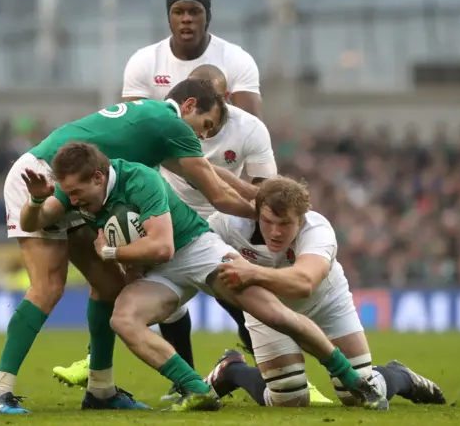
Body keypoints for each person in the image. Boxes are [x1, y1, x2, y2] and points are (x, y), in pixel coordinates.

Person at [0, 78, 256, 414]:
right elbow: (217, 195)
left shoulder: (155, 124)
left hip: (74, 185)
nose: (204, 135)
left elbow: (207, 171)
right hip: (44, 177)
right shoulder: (172, 126)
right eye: (206, 125)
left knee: (110, 287)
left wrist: (257, 194)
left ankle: (101, 390)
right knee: (47, 287)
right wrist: (265, 212)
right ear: (189, 106)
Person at [51, 142, 390, 412]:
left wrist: (110, 253)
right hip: (160, 271)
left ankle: (349, 376)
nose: (72, 199)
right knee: (123, 319)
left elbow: (164, 248)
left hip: (196, 248)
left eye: (76, 192)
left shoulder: (139, 179)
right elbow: (38, 216)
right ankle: (198, 390)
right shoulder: (79, 195)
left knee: (271, 313)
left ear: (97, 177)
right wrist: (38, 200)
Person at [204, 177, 446, 409]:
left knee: (358, 391)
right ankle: (232, 371)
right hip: (267, 308)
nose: (275, 232)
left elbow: (304, 282)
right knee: (289, 398)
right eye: (268, 222)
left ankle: (402, 376)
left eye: (285, 224)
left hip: (325, 302)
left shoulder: (317, 229)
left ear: (301, 219)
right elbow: (193, 250)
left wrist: (252, 273)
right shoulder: (227, 224)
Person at [121, 0, 262, 118]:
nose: (186, 19)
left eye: (195, 12)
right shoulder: (143, 61)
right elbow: (133, 125)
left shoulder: (236, 59)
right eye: (178, 12)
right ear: (169, 18)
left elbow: (251, 127)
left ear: (208, 17)